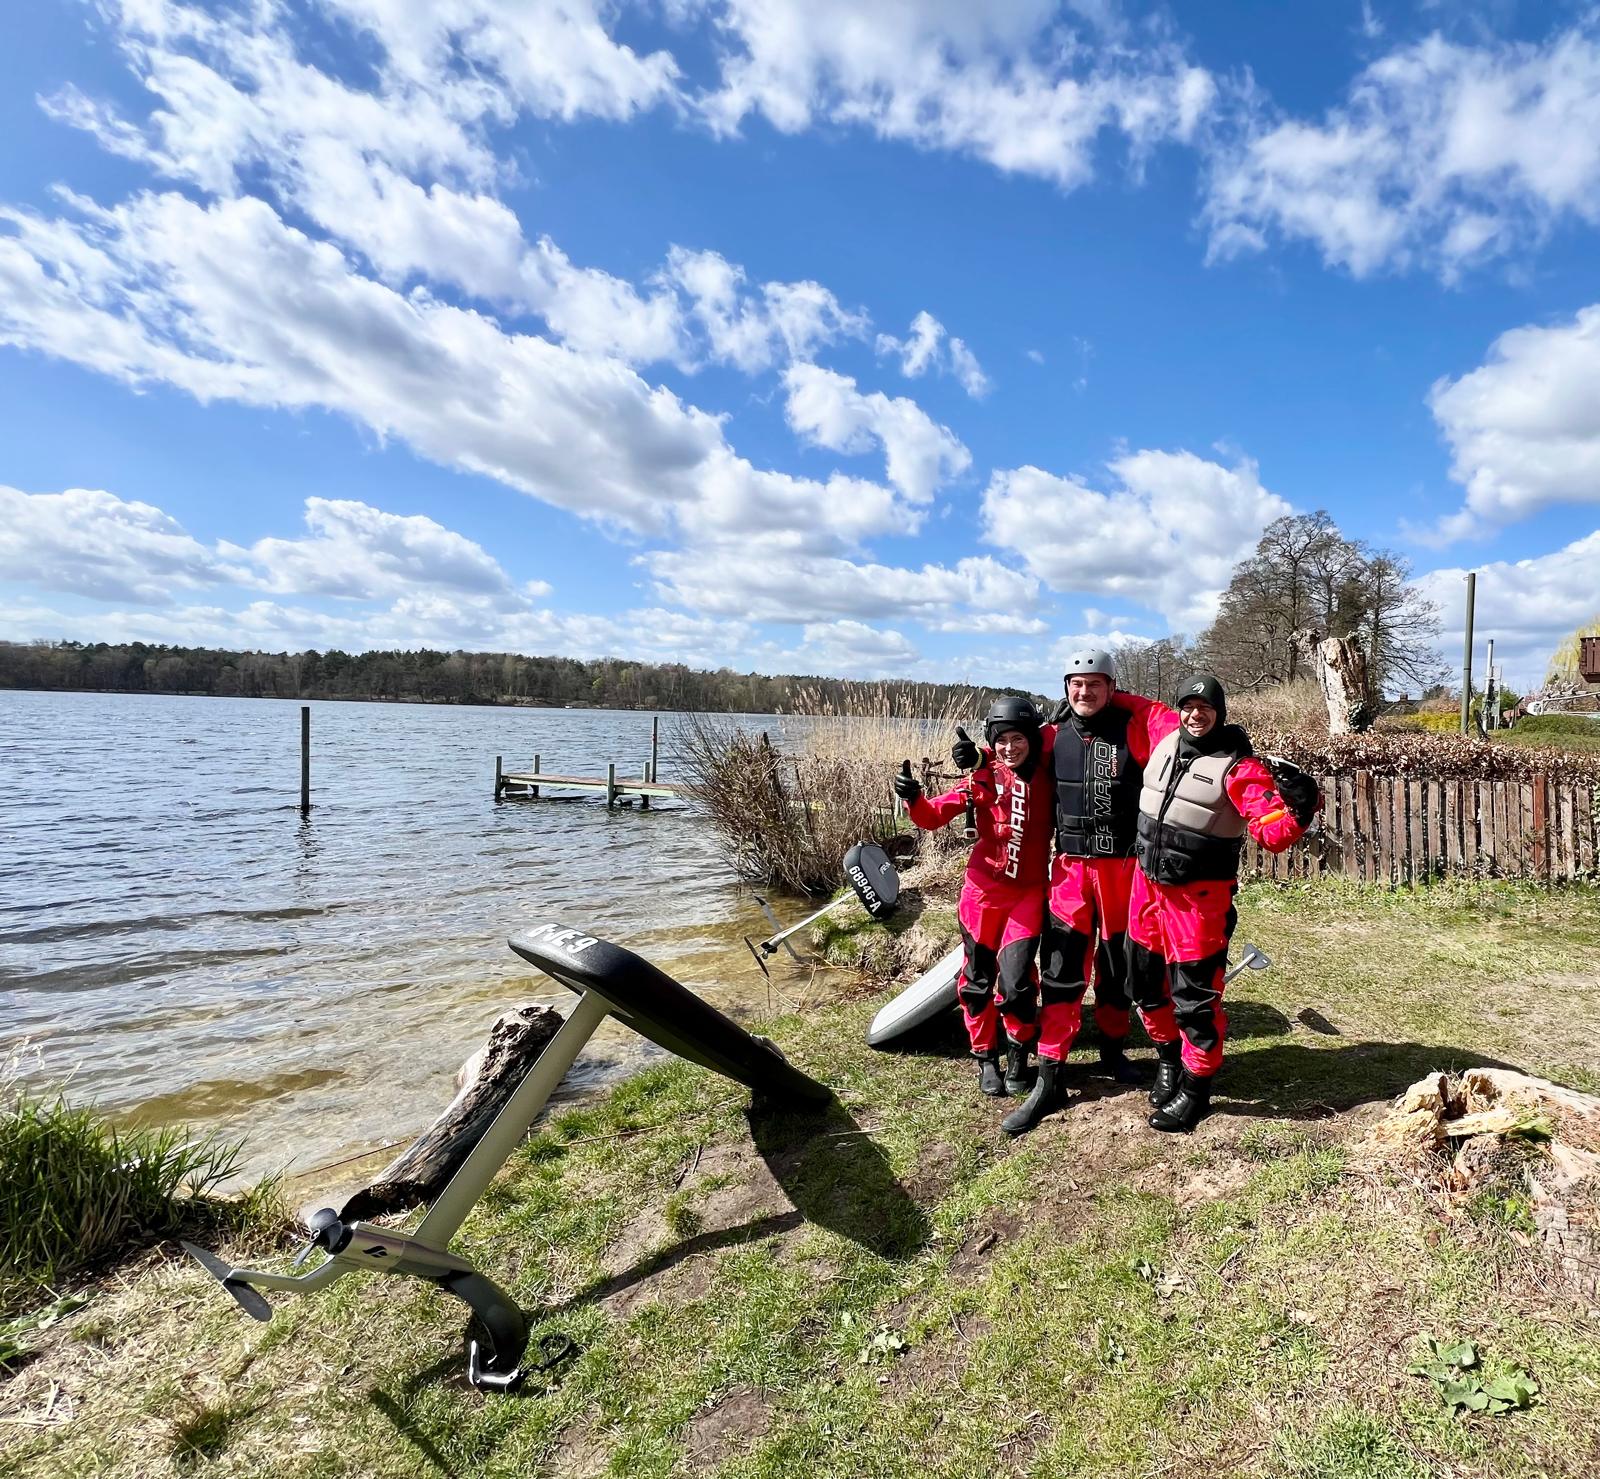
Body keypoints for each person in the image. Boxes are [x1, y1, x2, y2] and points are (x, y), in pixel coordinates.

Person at [1118, 675, 1319, 1132]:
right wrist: (1085, 699)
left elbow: (1272, 833)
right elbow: (1135, 704)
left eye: (1205, 708)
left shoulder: (1241, 769)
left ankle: (1196, 1088)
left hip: (1198, 900)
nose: (1195, 715)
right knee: (1143, 984)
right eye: (1188, 706)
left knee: (1195, 1000)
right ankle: (1169, 1060)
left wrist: (1301, 808)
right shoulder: (1165, 730)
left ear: (1220, 713)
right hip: (1146, 888)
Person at [1001, 649, 1145, 1138]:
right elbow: (1008, 756)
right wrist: (975, 759)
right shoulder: (1048, 736)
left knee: (1117, 965)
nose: (1084, 692)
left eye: (1096, 684)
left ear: (1111, 687)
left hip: (1123, 868)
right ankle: (1050, 1077)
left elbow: (1179, 731)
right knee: (1061, 971)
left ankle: (1113, 1050)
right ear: (1065, 687)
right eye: (1076, 684)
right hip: (1070, 869)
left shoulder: (1133, 728)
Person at [894, 697, 1054, 1099]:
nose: (1010, 748)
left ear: (1032, 739)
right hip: (981, 895)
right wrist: (912, 797)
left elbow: (1056, 733)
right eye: (1001, 741)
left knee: (1017, 983)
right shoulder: (981, 781)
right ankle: (985, 1056)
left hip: (1028, 895)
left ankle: (1018, 1053)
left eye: (1018, 739)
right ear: (992, 742)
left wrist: (982, 752)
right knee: (977, 981)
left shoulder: (1048, 772)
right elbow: (931, 817)